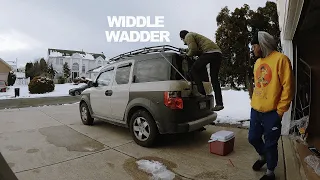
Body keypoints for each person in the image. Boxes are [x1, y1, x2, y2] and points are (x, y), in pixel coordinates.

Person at [249, 31, 294, 180]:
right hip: (256, 109)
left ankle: (270, 172)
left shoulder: (281, 59)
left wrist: (280, 112)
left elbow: (288, 88)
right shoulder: (257, 62)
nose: (253, 49)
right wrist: (254, 101)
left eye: (254, 45)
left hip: (272, 112)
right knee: (253, 138)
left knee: (271, 143)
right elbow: (259, 86)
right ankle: (263, 157)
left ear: (262, 45)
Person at [179, 30, 224, 111]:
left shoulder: (188, 36)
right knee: (214, 79)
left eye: (182, 40)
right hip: (218, 53)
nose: (183, 42)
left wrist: (186, 55)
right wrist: (185, 50)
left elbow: (193, 49)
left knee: (193, 70)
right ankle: (219, 103)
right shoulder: (194, 36)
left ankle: (201, 93)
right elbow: (197, 50)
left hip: (209, 53)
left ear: (182, 37)